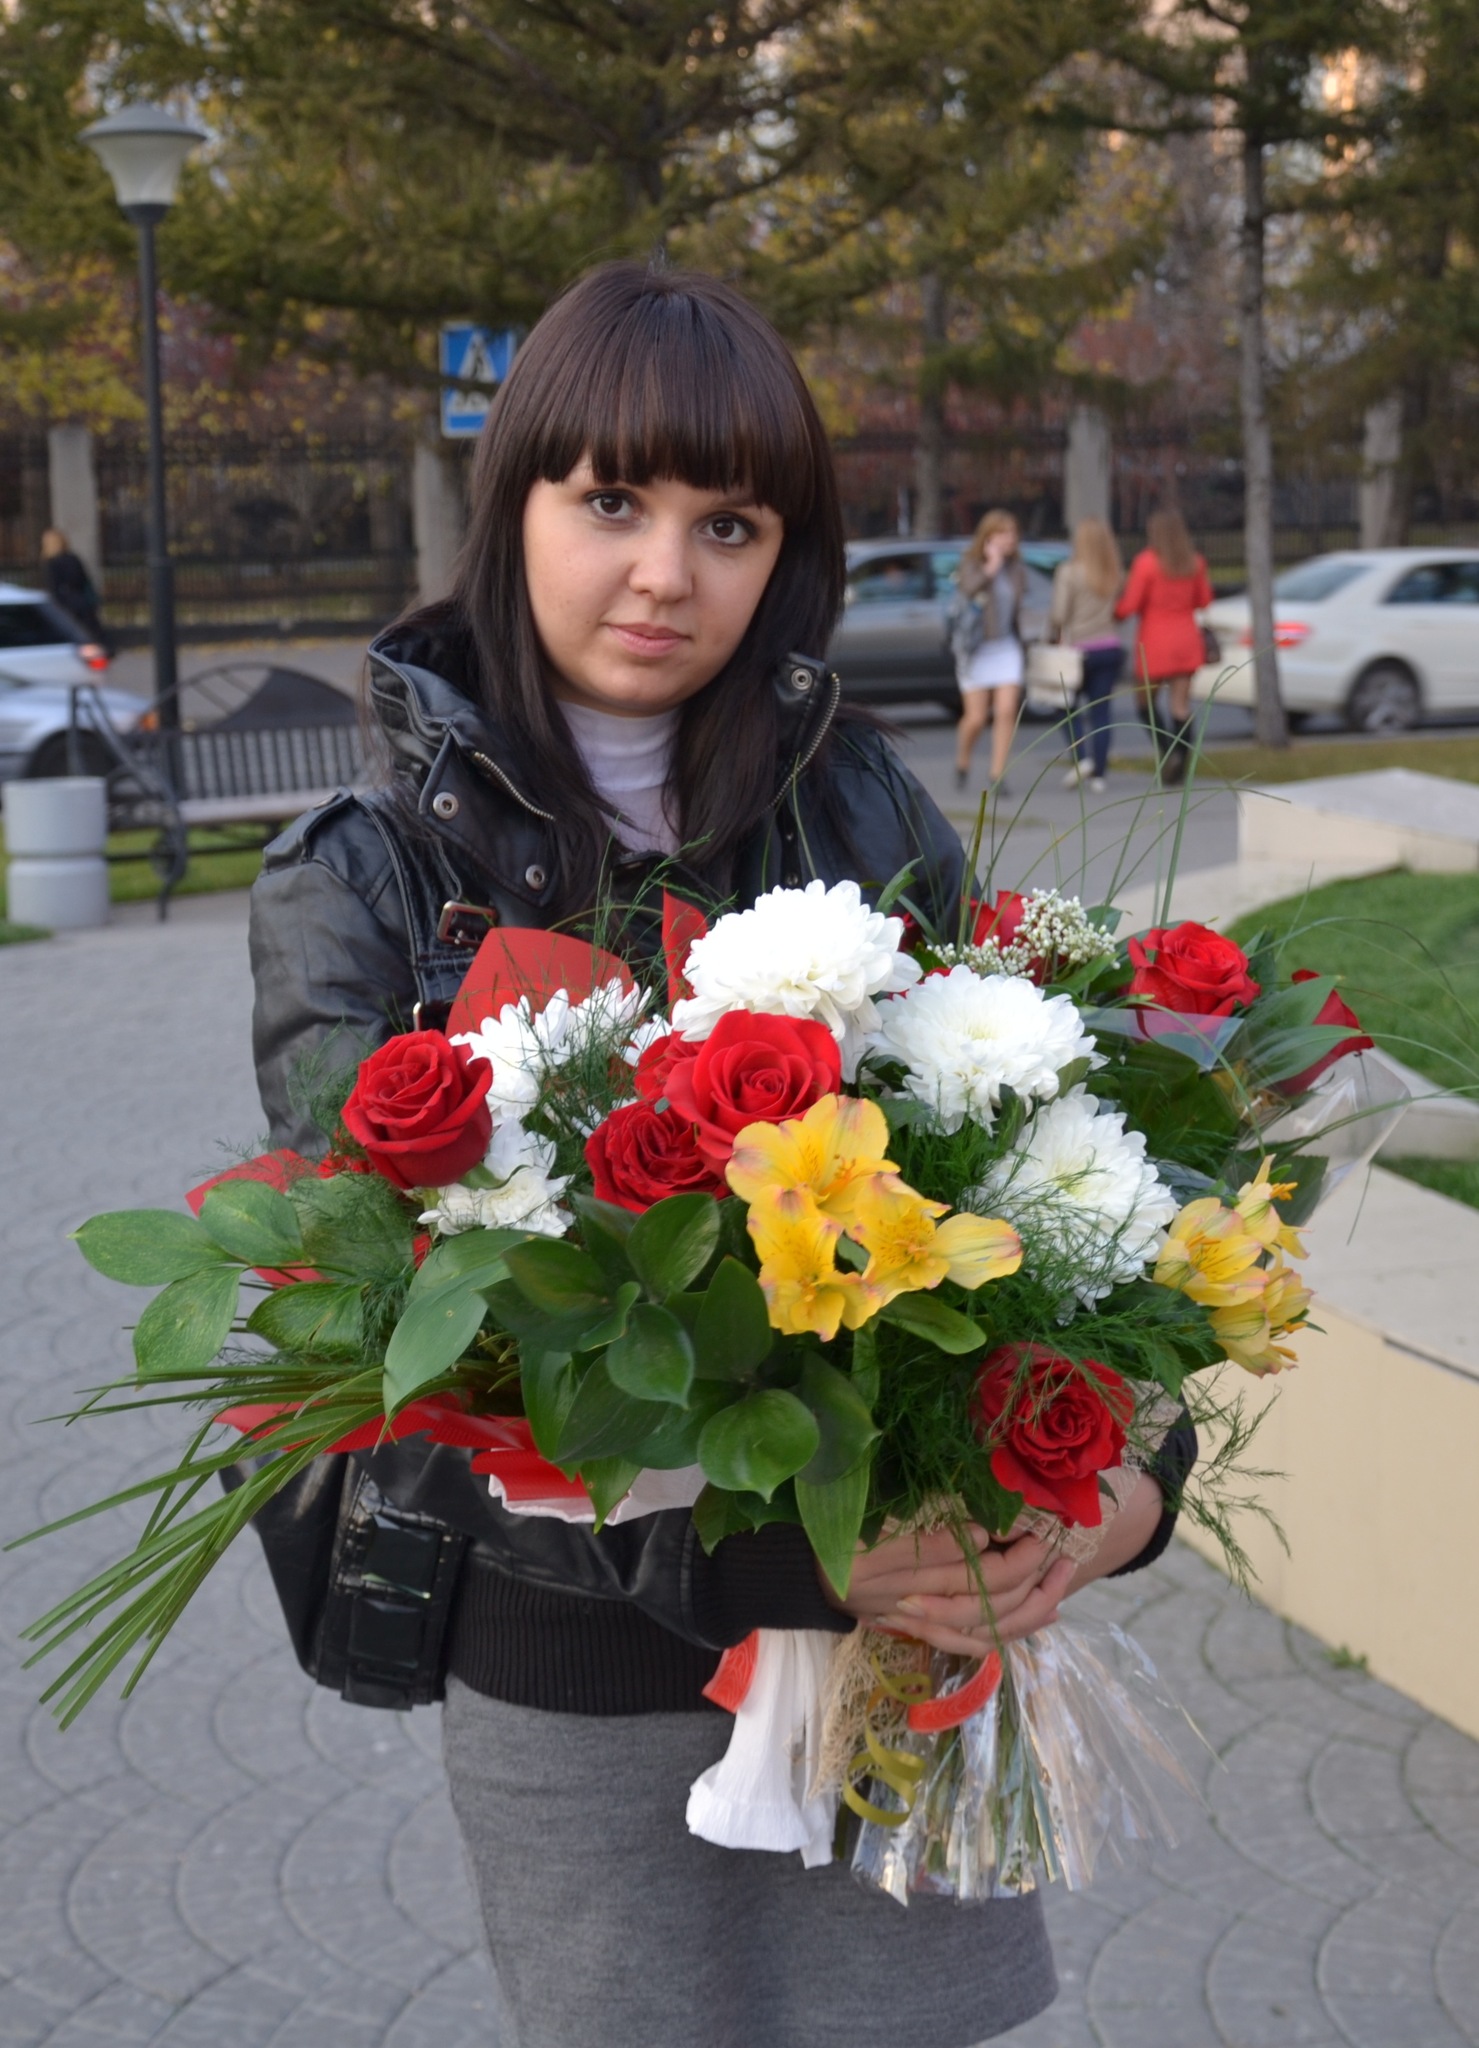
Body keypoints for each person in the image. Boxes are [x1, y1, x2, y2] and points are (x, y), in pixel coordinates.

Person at [248, 262, 1192, 2048]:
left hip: (899, 1648)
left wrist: (1130, 1485)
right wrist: (793, 1562)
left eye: (728, 522)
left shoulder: (858, 800)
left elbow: (1060, 1178)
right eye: (609, 501)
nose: (665, 571)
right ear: (512, 501)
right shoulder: (355, 875)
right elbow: (398, 1346)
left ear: (782, 554)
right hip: (588, 1687)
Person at [1114, 508, 1213, 785]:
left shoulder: (1146, 563)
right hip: (1186, 638)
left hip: (1155, 640)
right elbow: (1204, 600)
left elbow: (1130, 605)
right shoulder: (1194, 563)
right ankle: (1181, 758)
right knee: (1180, 705)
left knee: (1145, 702)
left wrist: (1114, 611)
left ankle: (1166, 749)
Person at [951, 508, 1025, 795]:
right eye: (1003, 533)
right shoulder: (971, 563)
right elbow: (967, 590)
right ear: (988, 537)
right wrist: (990, 567)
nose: (1010, 539)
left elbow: (1020, 607)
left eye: (1012, 533)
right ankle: (963, 760)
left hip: (1006, 646)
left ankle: (997, 774)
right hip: (975, 649)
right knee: (976, 718)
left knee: (1006, 711)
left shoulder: (1016, 568)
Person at [1051, 518, 1125, 793]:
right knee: (1101, 712)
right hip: (1109, 646)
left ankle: (1082, 758)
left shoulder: (1069, 572)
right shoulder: (1114, 573)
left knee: (1063, 706)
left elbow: (1060, 613)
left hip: (1078, 650)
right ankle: (1099, 775)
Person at [40, 528, 110, 651]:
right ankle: (104, 649)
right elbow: (83, 579)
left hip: (65, 602)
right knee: (91, 630)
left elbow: (53, 586)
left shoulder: (52, 562)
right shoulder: (73, 558)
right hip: (81, 600)